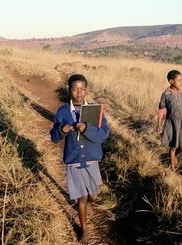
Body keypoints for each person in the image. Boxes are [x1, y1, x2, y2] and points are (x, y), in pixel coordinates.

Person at [50, 74, 110, 244]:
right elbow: (54, 138)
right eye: (75, 89)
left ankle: (91, 198)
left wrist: (87, 129)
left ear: (86, 90)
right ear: (69, 90)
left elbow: (104, 135)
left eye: (82, 88)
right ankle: (84, 229)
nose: (79, 92)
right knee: (81, 197)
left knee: (93, 194)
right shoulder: (62, 112)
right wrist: (62, 129)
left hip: (91, 159)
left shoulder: (95, 110)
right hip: (74, 160)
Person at [157, 70, 182, 171]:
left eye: (181, 81)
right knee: (173, 146)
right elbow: (161, 109)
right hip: (171, 123)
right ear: (171, 81)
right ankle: (172, 167)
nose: (181, 83)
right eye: (179, 81)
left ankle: (174, 156)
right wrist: (159, 124)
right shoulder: (166, 94)